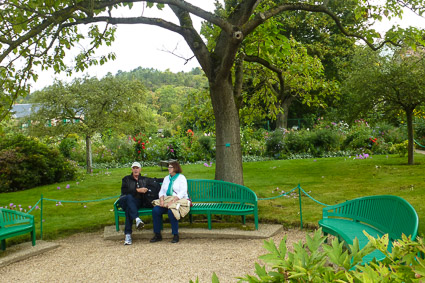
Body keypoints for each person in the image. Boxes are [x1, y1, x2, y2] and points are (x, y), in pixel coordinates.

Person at [119, 161, 162, 245]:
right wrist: (137, 190)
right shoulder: (126, 179)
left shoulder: (144, 180)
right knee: (129, 198)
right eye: (134, 168)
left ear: (140, 169)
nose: (135, 170)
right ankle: (137, 219)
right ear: (131, 169)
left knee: (129, 209)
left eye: (137, 168)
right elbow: (124, 191)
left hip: (136, 203)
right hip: (124, 200)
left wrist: (169, 178)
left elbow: (155, 180)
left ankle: (128, 235)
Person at [150, 160, 188, 244]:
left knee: (172, 211)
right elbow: (162, 191)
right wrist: (161, 200)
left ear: (175, 168)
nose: (168, 168)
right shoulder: (166, 178)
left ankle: (175, 234)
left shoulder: (181, 178)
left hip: (178, 200)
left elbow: (183, 191)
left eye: (170, 167)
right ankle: (157, 234)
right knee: (156, 210)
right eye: (168, 167)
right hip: (167, 200)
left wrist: (174, 200)